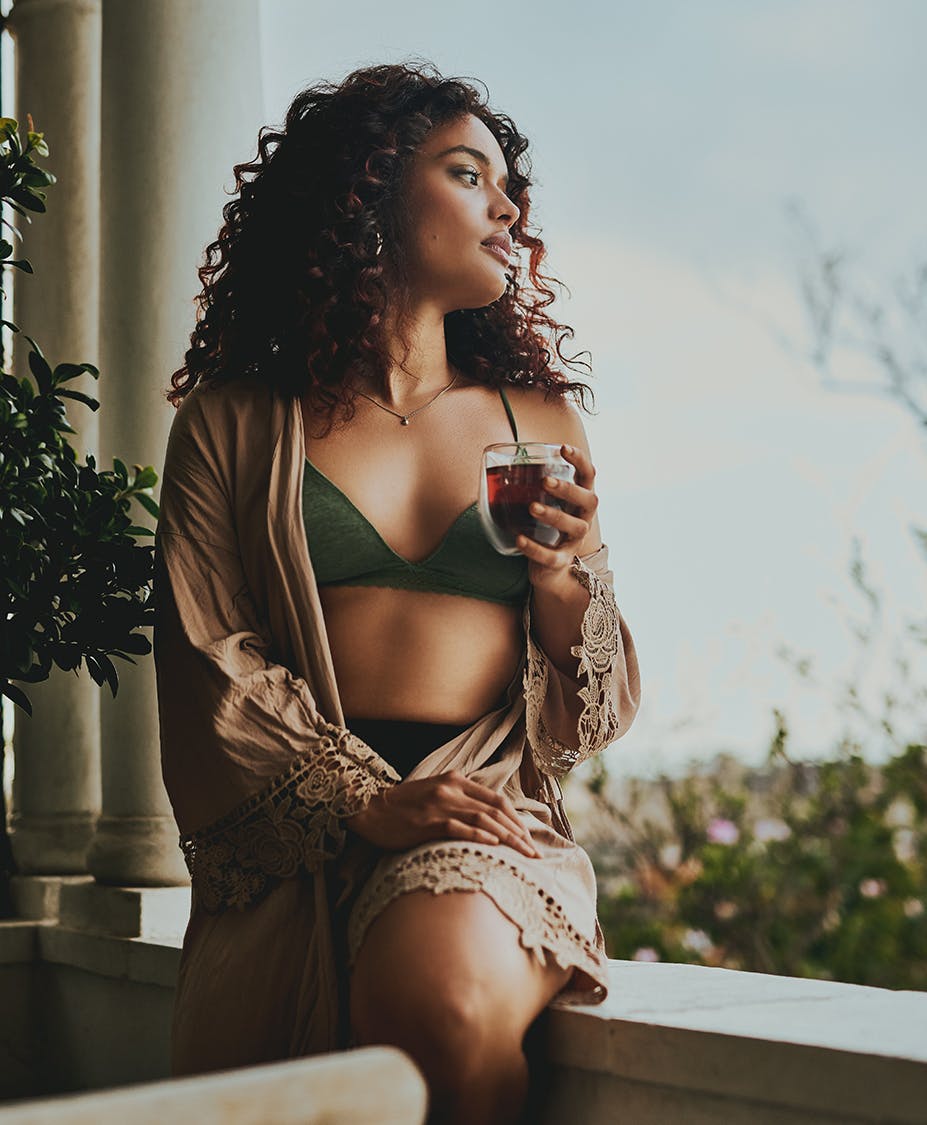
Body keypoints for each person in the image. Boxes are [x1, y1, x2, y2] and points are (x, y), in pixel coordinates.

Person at [154, 61, 641, 1125]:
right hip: (298, 823)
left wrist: (562, 575)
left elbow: (594, 705)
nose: (508, 207)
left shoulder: (537, 420)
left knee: (443, 1002)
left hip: (481, 803)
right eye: (469, 175)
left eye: (511, 186)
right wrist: (364, 801)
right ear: (365, 194)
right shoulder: (234, 423)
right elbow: (207, 656)